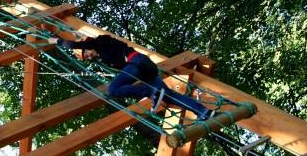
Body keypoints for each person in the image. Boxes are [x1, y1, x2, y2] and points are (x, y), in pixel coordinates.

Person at [48, 34, 212, 119]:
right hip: (145, 69)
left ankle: (151, 92)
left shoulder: (99, 41)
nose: (90, 57)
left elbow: (73, 44)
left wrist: (56, 41)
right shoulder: (106, 54)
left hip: (136, 63)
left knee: (113, 89)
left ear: (87, 44)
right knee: (169, 96)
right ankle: (204, 111)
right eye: (88, 58)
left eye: (88, 54)